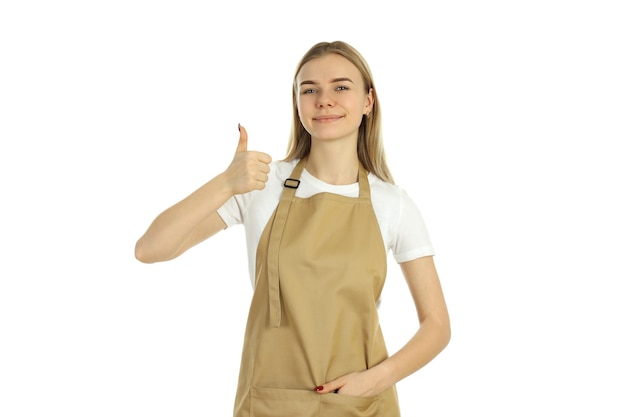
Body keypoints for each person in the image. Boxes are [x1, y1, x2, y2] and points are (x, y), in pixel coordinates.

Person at [135, 40, 450, 417]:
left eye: (341, 87)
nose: (324, 99)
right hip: (270, 401)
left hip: (361, 405)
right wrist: (224, 183)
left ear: (368, 101)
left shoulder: (393, 204)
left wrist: (376, 379)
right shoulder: (260, 186)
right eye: (310, 89)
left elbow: (437, 326)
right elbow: (150, 249)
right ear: (297, 103)